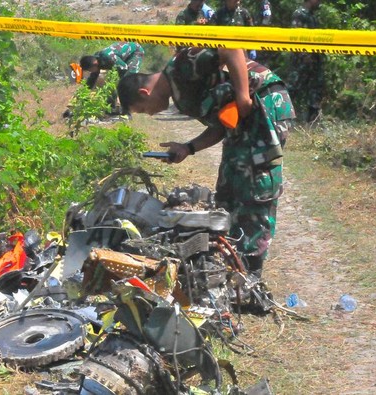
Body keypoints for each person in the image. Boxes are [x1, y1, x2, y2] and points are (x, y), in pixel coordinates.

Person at [116, 47, 296, 280]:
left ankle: (251, 272)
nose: (149, 114)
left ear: (145, 91)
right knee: (229, 186)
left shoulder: (182, 66)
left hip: (265, 103)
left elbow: (232, 48)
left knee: (254, 186)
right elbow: (219, 127)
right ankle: (232, 259)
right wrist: (188, 148)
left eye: (142, 109)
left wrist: (242, 96)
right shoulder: (181, 98)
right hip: (243, 121)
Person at [289, 0, 324, 122]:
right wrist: (304, 56)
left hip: (314, 61)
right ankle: (283, 118)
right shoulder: (299, 14)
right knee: (293, 89)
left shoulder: (312, 16)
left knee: (315, 91)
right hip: (301, 62)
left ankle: (312, 121)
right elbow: (296, 37)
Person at [79, 42, 145, 90]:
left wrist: (117, 84)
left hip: (135, 51)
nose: (90, 71)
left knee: (130, 77)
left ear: (94, 64)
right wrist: (85, 91)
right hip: (122, 57)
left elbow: (124, 68)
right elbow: (93, 78)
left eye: (90, 70)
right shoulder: (96, 62)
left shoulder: (109, 57)